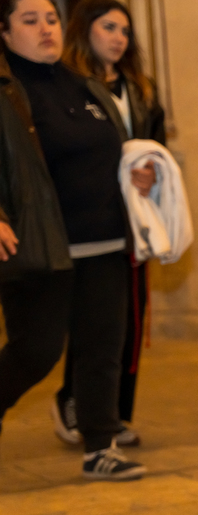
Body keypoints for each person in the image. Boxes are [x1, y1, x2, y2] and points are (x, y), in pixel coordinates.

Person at [0, 0, 147, 479]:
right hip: (43, 246)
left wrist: (136, 176)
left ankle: (100, 447)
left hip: (105, 241)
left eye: (51, 19)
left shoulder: (84, 84)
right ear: (3, 31)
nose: (46, 29)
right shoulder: (6, 92)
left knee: (103, 347)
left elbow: (111, 153)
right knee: (36, 351)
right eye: (30, 20)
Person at [49, 0, 165, 448]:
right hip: (86, 219)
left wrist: (152, 170)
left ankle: (115, 413)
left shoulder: (141, 89)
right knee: (88, 319)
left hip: (133, 216)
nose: (119, 38)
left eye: (125, 31)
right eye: (109, 27)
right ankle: (74, 400)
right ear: (85, 31)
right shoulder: (68, 86)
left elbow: (155, 144)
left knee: (128, 320)